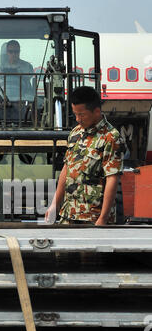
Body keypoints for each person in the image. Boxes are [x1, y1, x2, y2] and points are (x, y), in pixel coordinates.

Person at [45, 86, 125, 226]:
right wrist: (54, 205)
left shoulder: (110, 137)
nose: (78, 119)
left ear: (96, 111)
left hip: (92, 217)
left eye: (81, 115)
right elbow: (67, 169)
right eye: (75, 114)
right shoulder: (76, 132)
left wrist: (103, 219)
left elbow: (112, 178)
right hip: (69, 215)